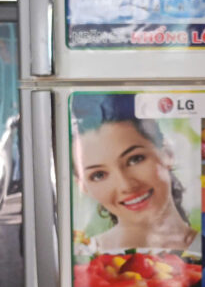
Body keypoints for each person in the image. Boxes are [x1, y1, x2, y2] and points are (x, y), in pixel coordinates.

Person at [71, 96, 198, 254]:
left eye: (135, 159)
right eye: (99, 175)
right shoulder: (84, 256)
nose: (126, 185)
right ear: (83, 186)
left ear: (167, 154)